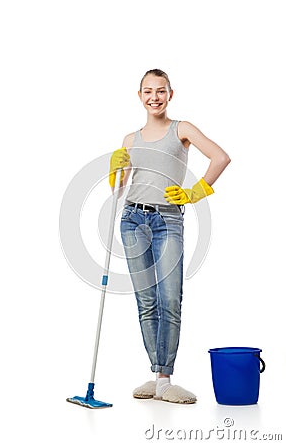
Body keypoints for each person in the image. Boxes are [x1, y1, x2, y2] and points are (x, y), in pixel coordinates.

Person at [109, 69, 231, 404]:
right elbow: (121, 188)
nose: (154, 97)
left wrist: (196, 191)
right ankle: (157, 374)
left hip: (167, 221)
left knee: (169, 299)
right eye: (148, 91)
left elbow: (221, 158)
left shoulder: (183, 129)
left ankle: (165, 379)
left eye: (160, 91)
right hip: (132, 218)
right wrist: (114, 169)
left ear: (170, 94)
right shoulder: (130, 140)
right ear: (139, 96)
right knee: (146, 302)